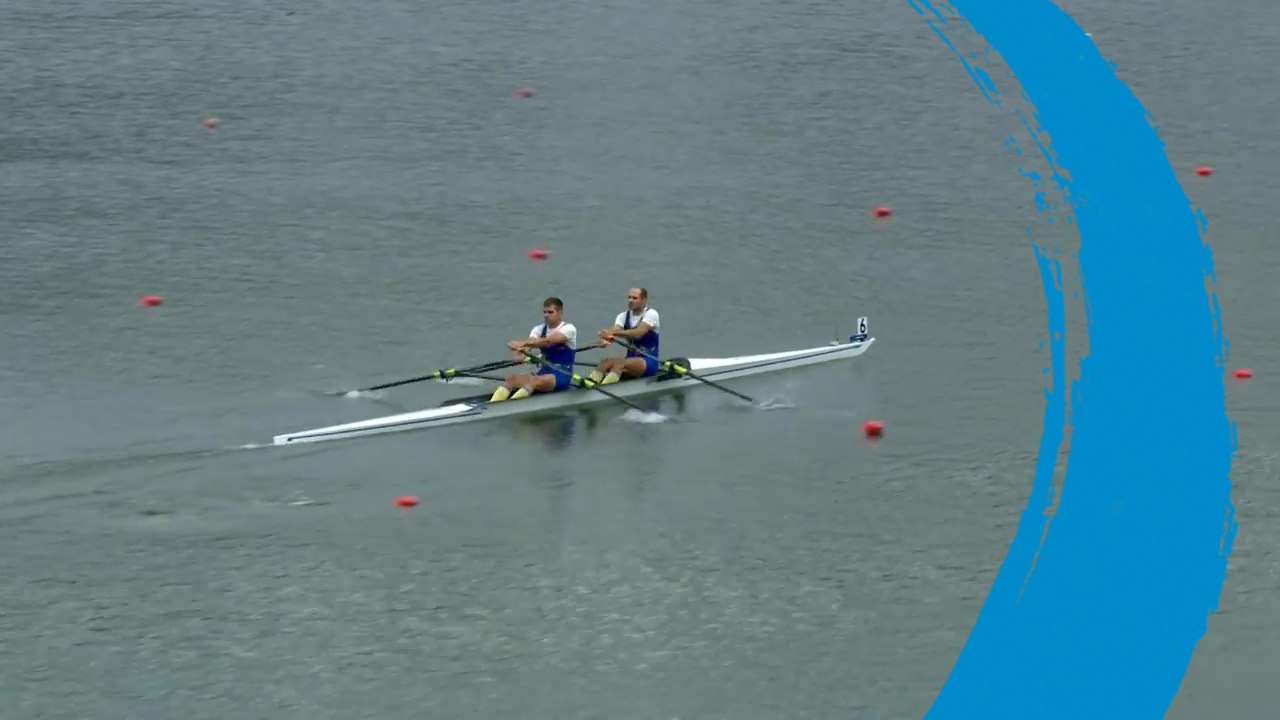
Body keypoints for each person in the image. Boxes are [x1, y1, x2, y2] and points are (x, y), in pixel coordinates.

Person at [489, 297, 579, 402]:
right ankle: (492, 404)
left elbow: (548, 341)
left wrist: (522, 343)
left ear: (560, 312)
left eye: (550, 312)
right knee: (511, 379)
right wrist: (519, 353)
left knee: (533, 381)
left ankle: (510, 406)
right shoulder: (539, 329)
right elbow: (530, 344)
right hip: (543, 372)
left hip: (562, 375)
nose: (546, 315)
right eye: (544, 312)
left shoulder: (569, 329)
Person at [589, 287, 660, 385]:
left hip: (648, 361)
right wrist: (605, 336)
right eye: (629, 297)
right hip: (630, 359)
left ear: (644, 300)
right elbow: (615, 330)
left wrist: (612, 333)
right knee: (605, 362)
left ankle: (604, 386)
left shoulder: (651, 314)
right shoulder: (622, 316)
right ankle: (591, 383)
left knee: (619, 363)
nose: (630, 300)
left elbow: (638, 333)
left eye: (635, 298)